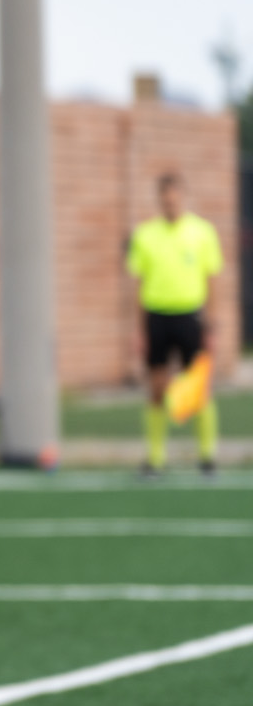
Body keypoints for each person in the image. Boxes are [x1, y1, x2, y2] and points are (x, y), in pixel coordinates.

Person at [127, 171, 224, 477]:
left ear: (183, 196)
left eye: (175, 197)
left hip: (190, 316)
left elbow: (212, 279)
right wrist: (140, 329)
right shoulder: (145, 235)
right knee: (156, 388)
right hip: (157, 316)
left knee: (197, 388)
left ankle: (207, 456)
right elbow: (138, 284)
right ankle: (156, 458)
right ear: (159, 199)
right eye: (165, 198)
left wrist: (210, 322)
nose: (170, 202)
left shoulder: (202, 232)